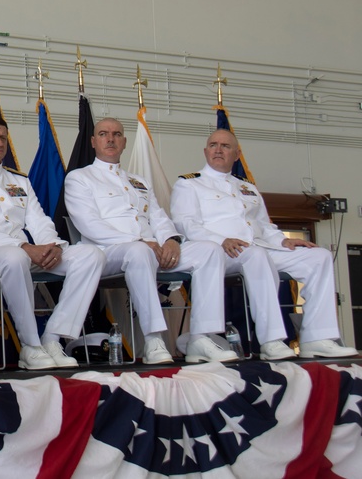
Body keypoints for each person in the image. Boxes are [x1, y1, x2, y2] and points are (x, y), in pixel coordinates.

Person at [64, 118, 240, 364]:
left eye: (116, 134)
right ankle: (154, 339)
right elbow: (89, 225)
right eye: (104, 134)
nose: (111, 139)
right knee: (139, 252)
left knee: (209, 250)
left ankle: (201, 336)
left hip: (152, 250)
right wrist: (140, 242)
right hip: (108, 252)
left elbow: (158, 217)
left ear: (124, 142)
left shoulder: (140, 182)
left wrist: (170, 240)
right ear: (94, 142)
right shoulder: (79, 178)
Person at [170, 128, 357, 359]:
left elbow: (264, 226)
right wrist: (221, 240)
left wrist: (283, 242)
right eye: (213, 145)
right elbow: (185, 224)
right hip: (218, 251)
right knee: (255, 255)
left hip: (257, 247)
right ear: (206, 151)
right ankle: (272, 341)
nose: (218, 150)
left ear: (237, 154)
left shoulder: (247, 187)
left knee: (319, 257)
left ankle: (317, 338)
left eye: (225, 146)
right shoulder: (190, 184)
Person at [0, 113, 104, 370]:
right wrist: (24, 247)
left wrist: (51, 245)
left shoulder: (19, 180)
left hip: (22, 256)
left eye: (3, 138)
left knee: (91, 255)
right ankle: (30, 346)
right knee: (14, 256)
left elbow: (38, 221)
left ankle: (52, 338)